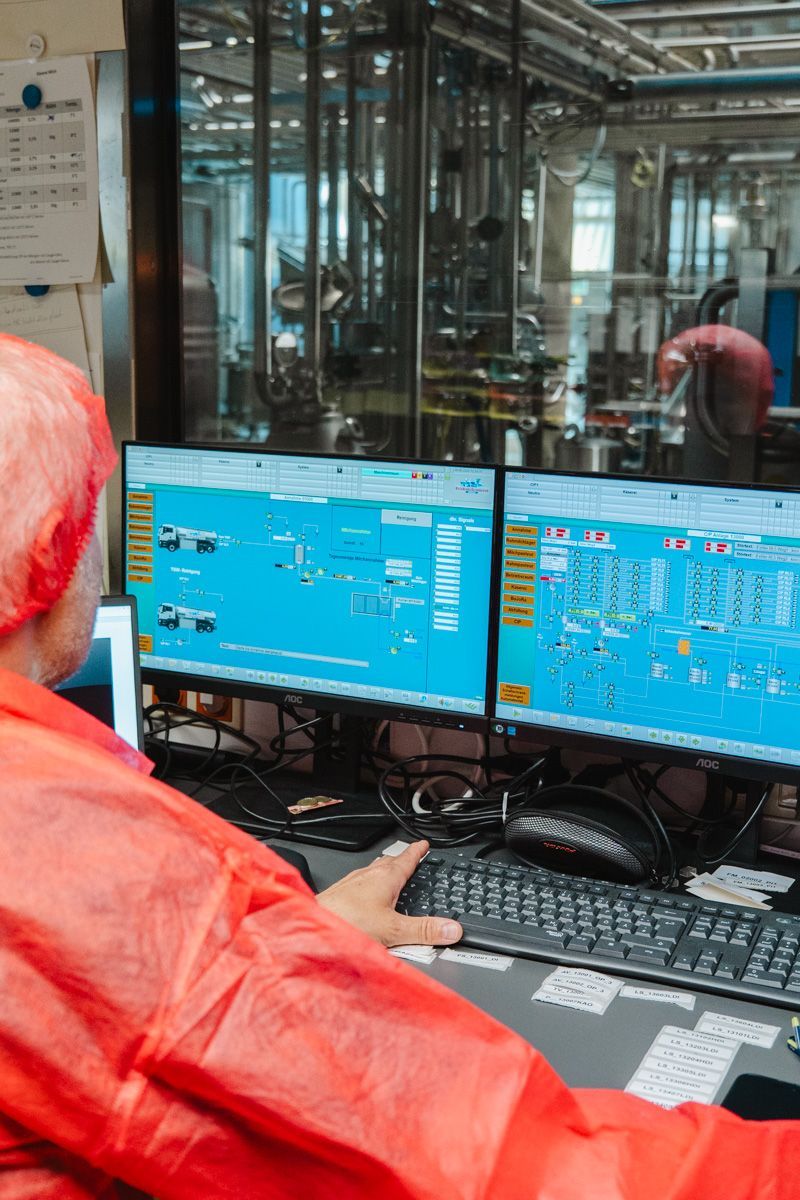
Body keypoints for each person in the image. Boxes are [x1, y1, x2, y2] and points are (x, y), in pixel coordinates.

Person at [0, 332, 795, 1200]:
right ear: (49, 553)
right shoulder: (89, 857)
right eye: (91, 519)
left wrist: (298, 946)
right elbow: (514, 1169)